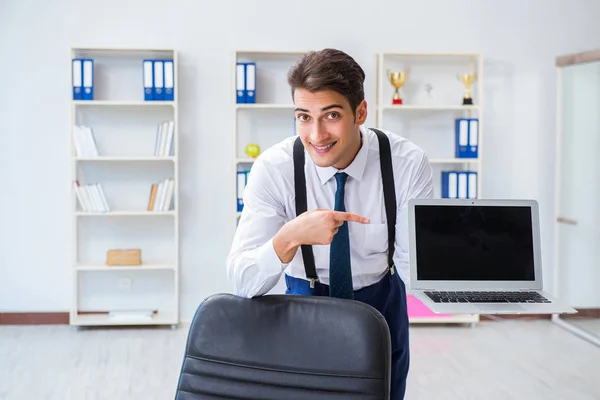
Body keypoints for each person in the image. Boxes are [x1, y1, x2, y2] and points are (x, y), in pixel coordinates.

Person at [226, 48, 434, 399]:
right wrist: (289, 238)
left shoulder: (406, 164)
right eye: (304, 117)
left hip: (381, 305)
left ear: (361, 112)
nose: (317, 134)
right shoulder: (274, 169)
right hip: (305, 302)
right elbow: (242, 281)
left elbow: (416, 269)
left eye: (331, 115)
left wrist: (470, 282)